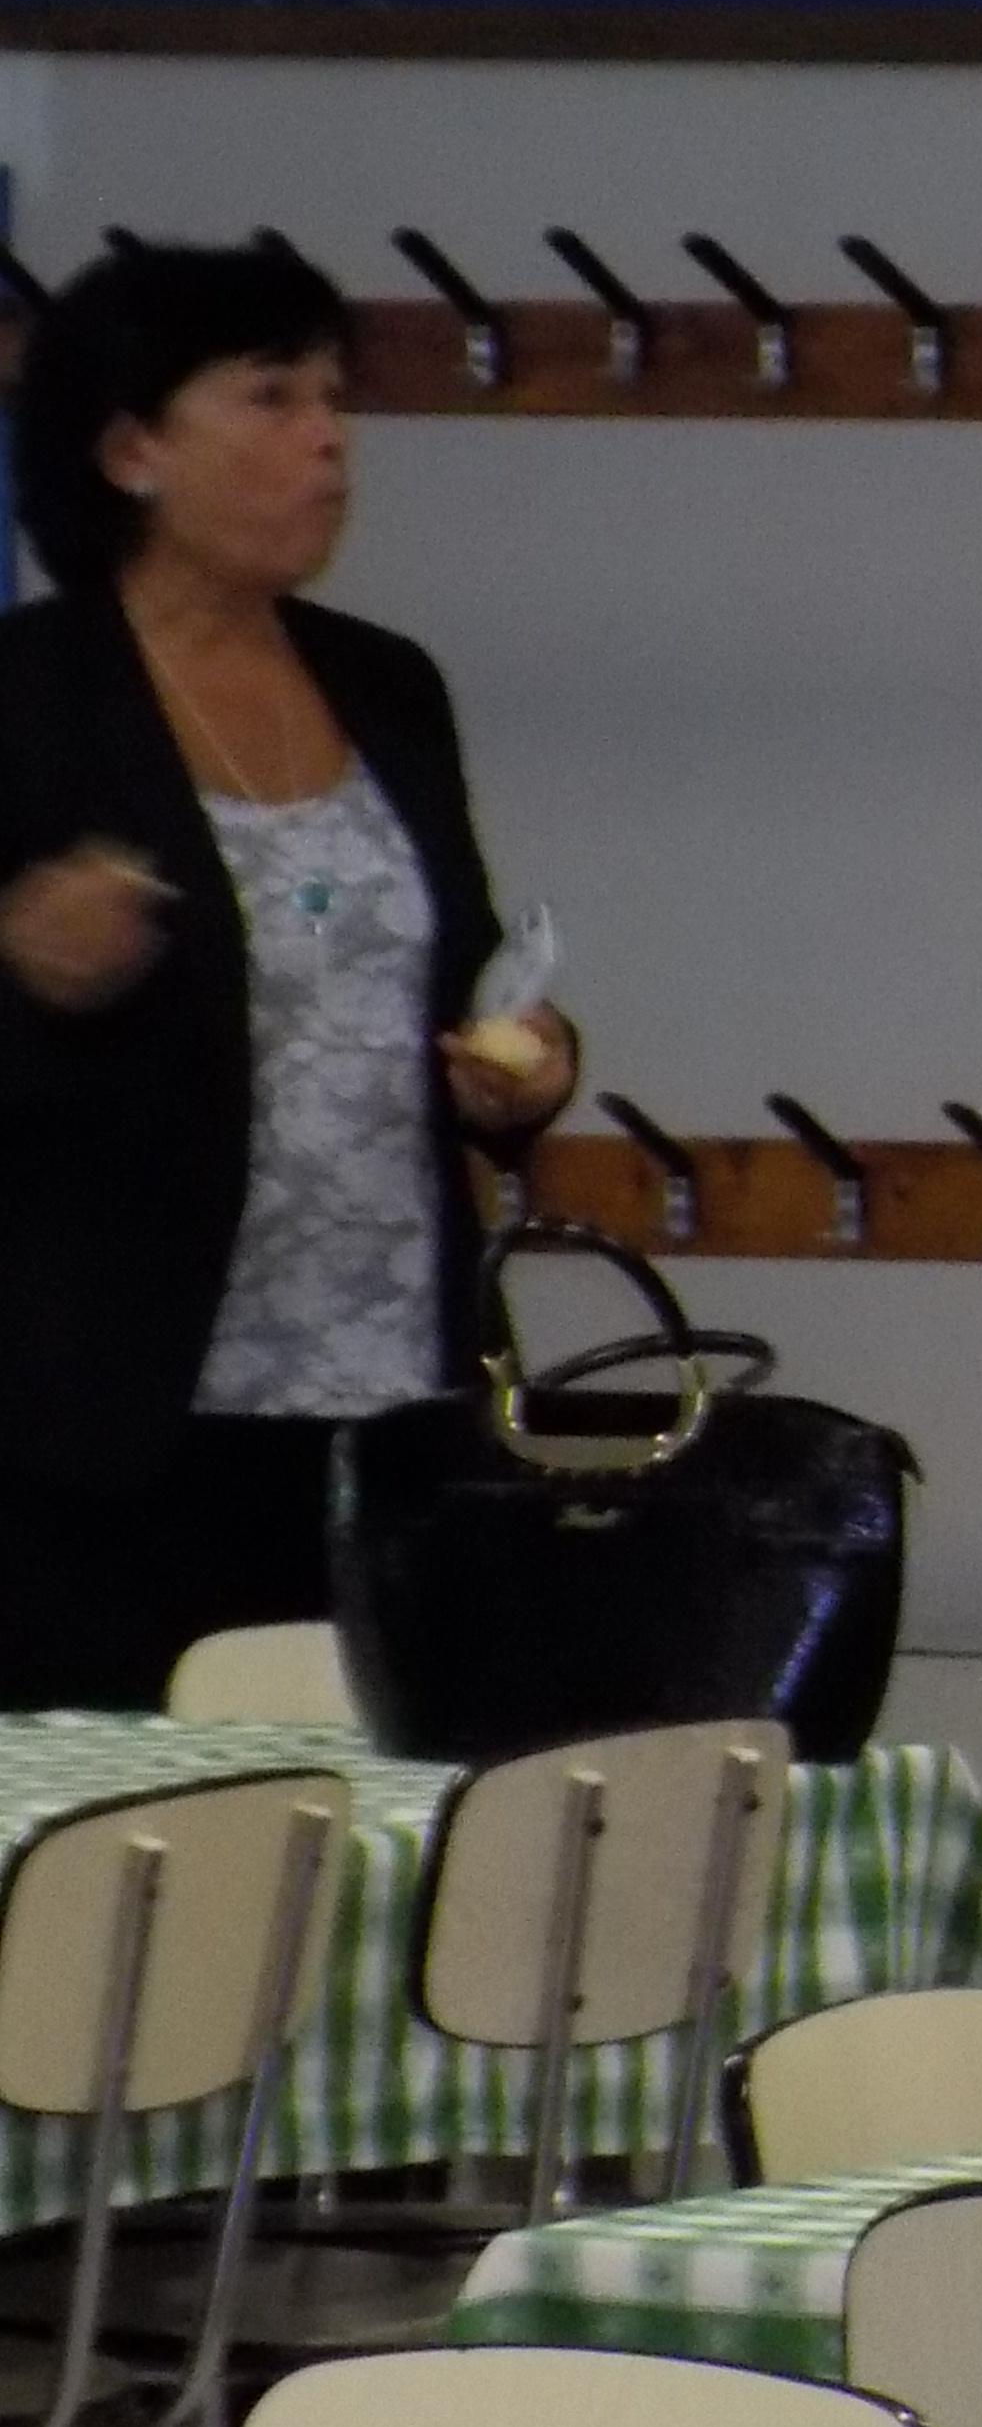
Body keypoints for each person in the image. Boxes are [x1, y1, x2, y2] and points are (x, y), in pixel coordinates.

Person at [0, 237, 582, 1711]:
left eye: (334, 397)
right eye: (272, 397)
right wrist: (26, 976)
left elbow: (462, 971)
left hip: (390, 1404)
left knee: (378, 1796)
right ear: (132, 450)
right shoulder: (28, 698)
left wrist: (522, 1069)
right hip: (110, 1424)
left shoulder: (386, 684)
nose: (330, 439)